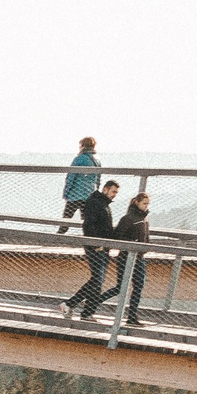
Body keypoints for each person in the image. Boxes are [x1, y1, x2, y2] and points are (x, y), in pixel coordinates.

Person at [62, 180, 121, 319]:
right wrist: (96, 244)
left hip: (102, 247)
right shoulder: (95, 202)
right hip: (96, 247)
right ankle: (70, 304)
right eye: (113, 191)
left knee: (98, 281)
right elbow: (88, 225)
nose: (115, 195)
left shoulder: (103, 203)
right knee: (97, 280)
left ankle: (87, 312)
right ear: (105, 189)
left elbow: (104, 227)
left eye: (116, 192)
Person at [94, 192, 153, 324]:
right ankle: (93, 303)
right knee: (120, 287)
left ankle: (132, 317)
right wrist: (132, 243)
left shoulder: (145, 218)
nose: (146, 206)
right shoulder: (128, 218)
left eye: (147, 204)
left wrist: (146, 246)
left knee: (138, 286)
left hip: (139, 257)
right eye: (144, 203)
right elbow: (117, 236)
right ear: (137, 202)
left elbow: (146, 235)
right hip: (126, 257)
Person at [62, 137, 102, 219]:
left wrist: (66, 192)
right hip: (89, 195)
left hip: (74, 195)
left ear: (83, 146)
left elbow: (71, 177)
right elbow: (98, 179)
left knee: (66, 219)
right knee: (86, 221)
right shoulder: (97, 160)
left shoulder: (79, 159)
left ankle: (62, 228)